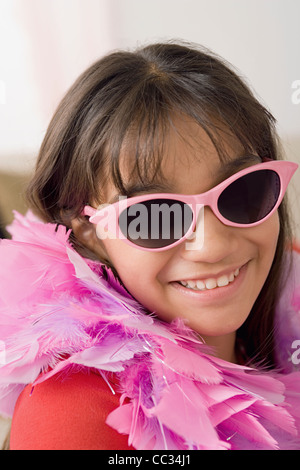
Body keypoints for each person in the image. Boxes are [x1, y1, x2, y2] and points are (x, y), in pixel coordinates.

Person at [1, 41, 300, 450]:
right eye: (156, 215)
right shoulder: (71, 412)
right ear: (86, 227)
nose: (211, 246)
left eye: (242, 192)